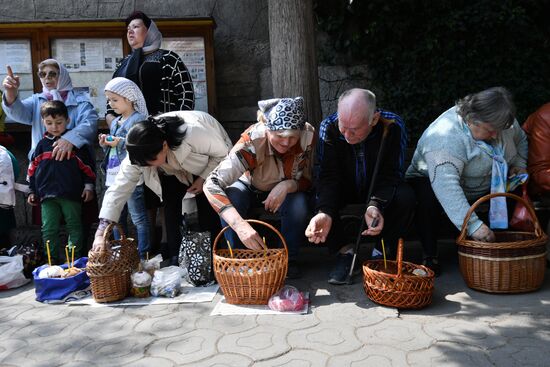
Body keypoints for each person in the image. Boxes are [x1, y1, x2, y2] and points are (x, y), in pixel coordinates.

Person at [406, 86, 528, 275]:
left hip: (484, 184)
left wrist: (519, 164)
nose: (496, 135)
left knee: (515, 186)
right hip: (435, 185)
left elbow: (520, 139)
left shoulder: (502, 122)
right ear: (472, 120)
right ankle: (430, 255)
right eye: (490, 130)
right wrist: (473, 225)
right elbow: (447, 187)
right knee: (425, 195)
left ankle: (503, 247)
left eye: (499, 130)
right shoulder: (445, 138)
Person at [92, 111, 232, 266]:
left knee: (208, 208)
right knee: (170, 205)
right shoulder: (139, 151)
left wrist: (203, 177)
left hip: (208, 162)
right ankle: (176, 260)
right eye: (144, 164)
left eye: (150, 161)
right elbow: (119, 189)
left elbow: (223, 153)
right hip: (171, 168)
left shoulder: (193, 132)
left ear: (164, 145)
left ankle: (214, 259)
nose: (148, 166)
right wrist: (101, 231)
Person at [305, 88, 414, 285]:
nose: (346, 135)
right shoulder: (328, 127)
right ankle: (345, 252)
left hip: (378, 187)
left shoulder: (392, 125)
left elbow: (392, 173)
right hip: (343, 187)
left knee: (405, 196)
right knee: (318, 200)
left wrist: (375, 204)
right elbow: (328, 176)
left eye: (354, 129)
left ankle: (382, 252)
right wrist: (325, 212)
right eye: (342, 126)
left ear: (374, 119)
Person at [108, 10, 195, 251]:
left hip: (165, 138)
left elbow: (186, 96)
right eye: (128, 29)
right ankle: (148, 246)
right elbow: (110, 102)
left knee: (167, 187)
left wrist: (173, 129)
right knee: (140, 191)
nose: (130, 32)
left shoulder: (169, 59)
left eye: (136, 27)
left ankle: (169, 241)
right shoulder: (124, 64)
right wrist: (115, 124)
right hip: (133, 140)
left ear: (150, 30)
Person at [204, 97, 315, 279]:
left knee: (299, 204)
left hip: (288, 189)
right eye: (279, 136)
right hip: (249, 185)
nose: (286, 143)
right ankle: (240, 260)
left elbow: (308, 180)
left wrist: (288, 185)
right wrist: (239, 225)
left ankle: (287, 259)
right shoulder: (252, 141)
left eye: (292, 137)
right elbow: (211, 184)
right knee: (232, 195)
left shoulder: (308, 135)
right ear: (268, 130)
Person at [27, 101, 96, 262]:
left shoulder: (75, 144)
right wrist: (32, 190)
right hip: (46, 196)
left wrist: (88, 186)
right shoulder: (41, 145)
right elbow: (32, 169)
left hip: (71, 193)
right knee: (49, 229)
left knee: (74, 226)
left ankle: (74, 261)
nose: (54, 127)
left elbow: (87, 167)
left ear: (68, 120)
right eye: (49, 123)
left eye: (59, 122)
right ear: (43, 122)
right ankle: (51, 262)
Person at [2, 60, 98, 160]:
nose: (47, 77)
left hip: (72, 164)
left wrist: (70, 139)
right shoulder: (37, 100)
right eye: (42, 74)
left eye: (52, 74)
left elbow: (90, 123)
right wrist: (11, 93)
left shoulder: (80, 102)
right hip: (42, 164)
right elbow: (18, 113)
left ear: (62, 76)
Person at [99, 77, 150, 259]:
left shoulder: (139, 120)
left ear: (128, 98)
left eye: (114, 100)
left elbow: (138, 145)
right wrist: (105, 143)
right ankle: (119, 253)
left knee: (138, 218)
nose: (111, 104)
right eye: (109, 100)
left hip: (132, 176)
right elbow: (113, 146)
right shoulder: (115, 122)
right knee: (116, 218)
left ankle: (144, 254)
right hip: (113, 174)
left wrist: (119, 142)